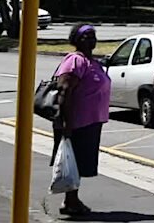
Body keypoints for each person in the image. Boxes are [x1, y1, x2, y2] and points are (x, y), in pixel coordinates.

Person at [52, 24, 110, 216]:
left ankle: (72, 200)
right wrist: (67, 123)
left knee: (79, 163)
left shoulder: (92, 61)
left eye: (93, 36)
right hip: (76, 122)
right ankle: (70, 201)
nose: (91, 40)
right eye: (86, 36)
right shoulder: (75, 61)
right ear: (76, 40)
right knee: (73, 162)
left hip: (90, 121)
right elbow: (64, 91)